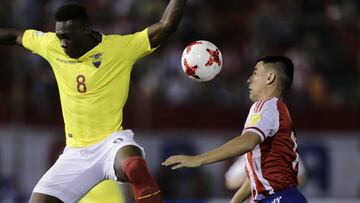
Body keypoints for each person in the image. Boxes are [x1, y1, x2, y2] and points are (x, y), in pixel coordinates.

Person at [0, 1, 187, 202]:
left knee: (134, 166)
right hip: (75, 152)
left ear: (85, 30)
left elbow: (167, 25)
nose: (62, 43)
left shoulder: (120, 48)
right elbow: (15, 35)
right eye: (59, 36)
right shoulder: (52, 44)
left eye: (67, 37)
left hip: (111, 143)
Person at [163, 55, 308, 203]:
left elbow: (247, 141)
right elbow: (258, 175)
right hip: (285, 197)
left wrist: (198, 159)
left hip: (279, 198)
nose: (249, 79)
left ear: (270, 77)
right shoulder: (279, 109)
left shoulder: (266, 106)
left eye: (255, 73)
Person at [224, 155, 307, 203]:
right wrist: (252, 180)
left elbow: (301, 177)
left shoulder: (288, 153)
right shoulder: (250, 156)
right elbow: (229, 182)